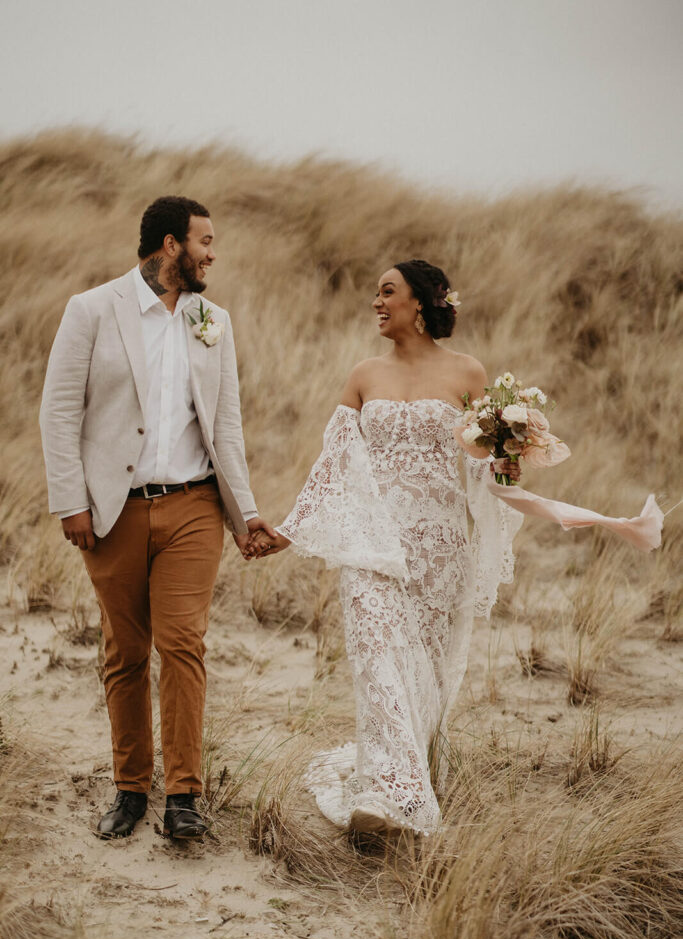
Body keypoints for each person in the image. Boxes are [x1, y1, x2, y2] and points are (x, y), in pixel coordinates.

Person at [249, 260, 522, 837]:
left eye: (387, 292)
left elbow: (486, 471)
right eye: (375, 292)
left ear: (420, 303)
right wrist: (288, 530)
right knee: (377, 658)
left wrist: (514, 455)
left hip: (440, 551)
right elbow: (335, 466)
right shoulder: (363, 376)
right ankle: (383, 797)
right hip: (372, 548)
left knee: (421, 672)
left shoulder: (468, 373)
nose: (376, 301)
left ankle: (401, 774)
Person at [40, 196, 275, 840]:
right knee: (125, 652)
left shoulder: (213, 321)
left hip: (195, 506)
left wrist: (244, 515)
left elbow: (226, 425)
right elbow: (59, 414)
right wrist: (71, 503)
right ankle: (129, 789)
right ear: (169, 245)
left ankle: (183, 798)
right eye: (204, 241)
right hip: (113, 511)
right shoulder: (92, 310)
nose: (212, 254)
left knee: (182, 645)